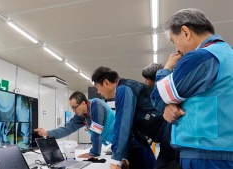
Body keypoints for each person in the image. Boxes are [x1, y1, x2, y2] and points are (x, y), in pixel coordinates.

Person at [150, 8, 233, 168]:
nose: (177, 49)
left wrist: (166, 69)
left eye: (175, 41)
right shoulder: (227, 55)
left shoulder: (201, 57)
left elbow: (158, 98)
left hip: (206, 155)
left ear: (186, 32)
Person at [91, 67, 169, 169]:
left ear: (106, 83)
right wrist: (122, 156)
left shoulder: (123, 89)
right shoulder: (125, 87)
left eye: (97, 87)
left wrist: (116, 159)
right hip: (163, 134)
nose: (98, 92)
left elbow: (123, 125)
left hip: (168, 133)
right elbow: (129, 127)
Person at [34, 91, 115, 158]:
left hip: (119, 137)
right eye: (72, 108)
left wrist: (93, 153)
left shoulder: (96, 105)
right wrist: (47, 133)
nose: (73, 110)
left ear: (83, 103)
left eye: (74, 107)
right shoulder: (81, 115)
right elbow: (67, 129)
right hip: (110, 142)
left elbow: (96, 131)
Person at [143, 63, 180, 169]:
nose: (145, 82)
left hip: (173, 138)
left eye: (147, 79)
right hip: (166, 139)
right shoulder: (150, 96)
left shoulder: (167, 95)